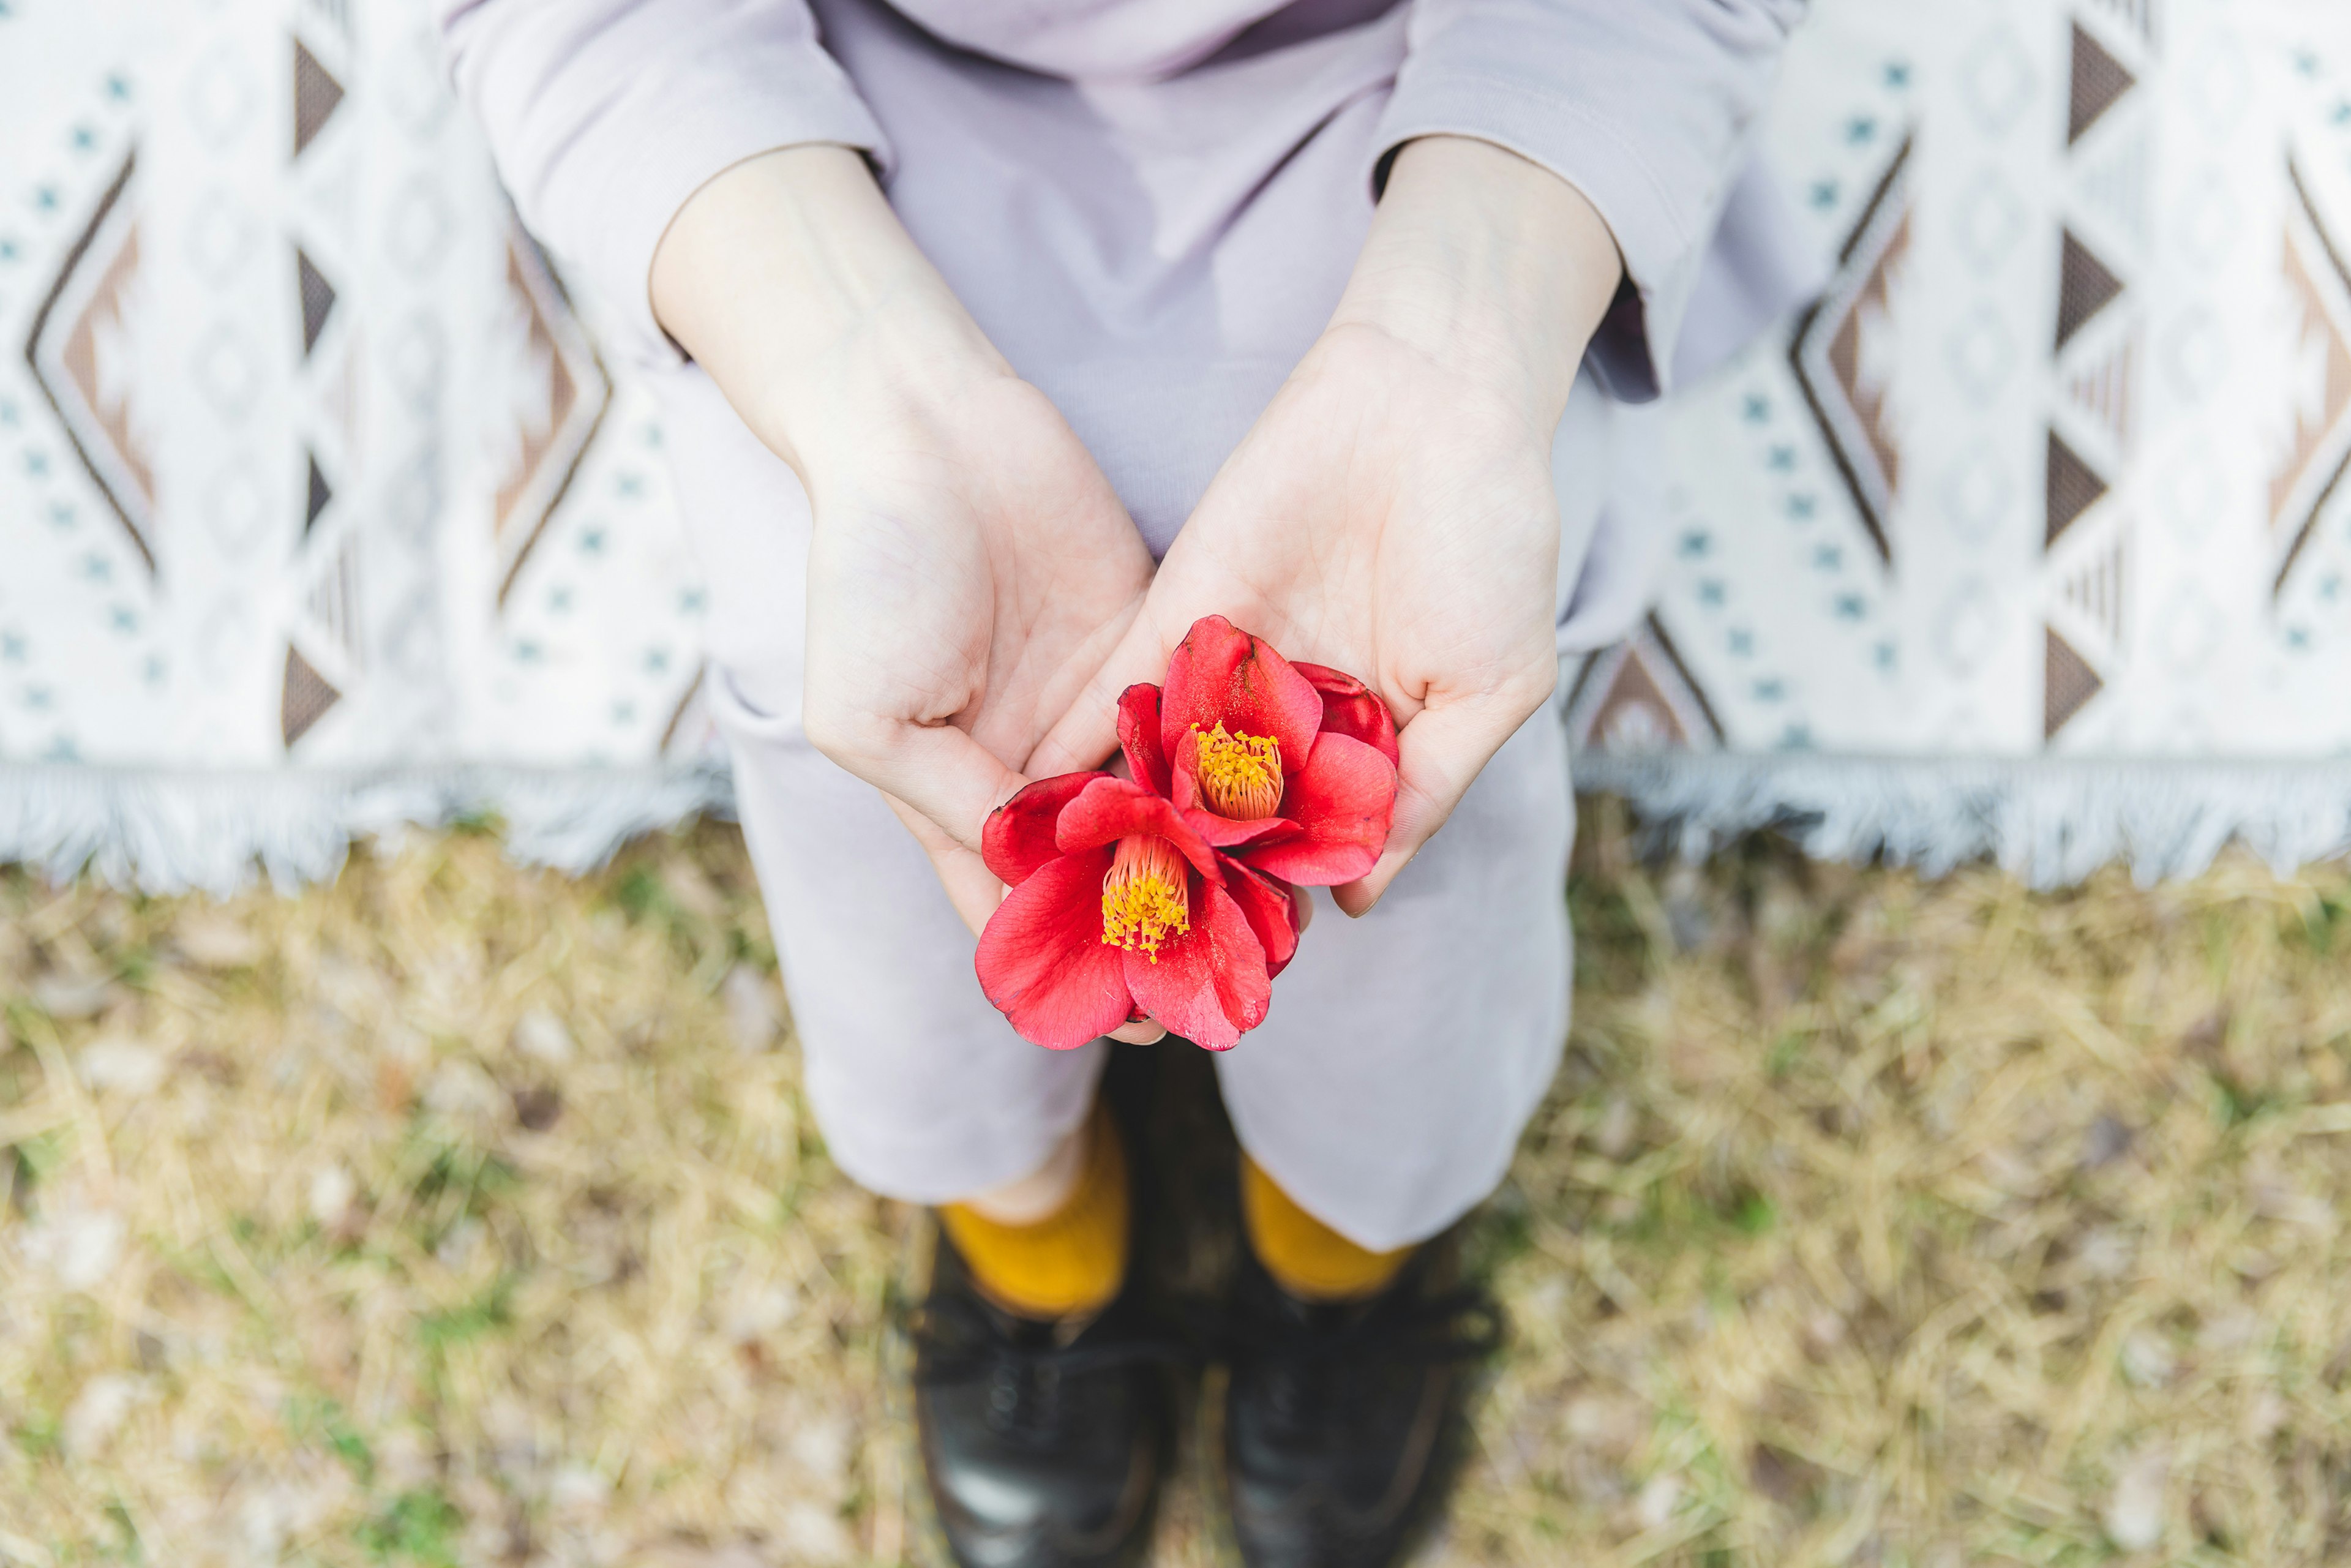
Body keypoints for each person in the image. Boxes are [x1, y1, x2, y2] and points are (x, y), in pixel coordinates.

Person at [437, 2, 1813, 1562]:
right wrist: (866, 387)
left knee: (1419, 693)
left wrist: (1458, 350)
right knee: (845, 627)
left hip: (1436, 116)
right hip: (838, 133)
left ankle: (1347, 1236)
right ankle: (1030, 1236)